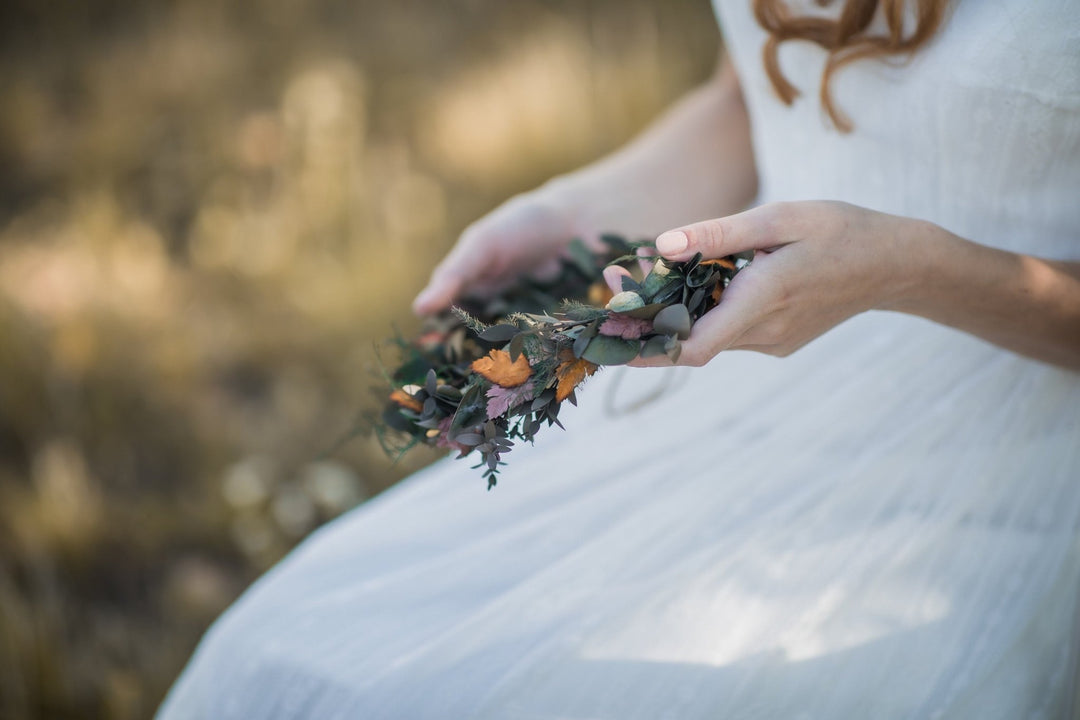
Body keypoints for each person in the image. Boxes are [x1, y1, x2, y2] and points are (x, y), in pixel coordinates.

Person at [158, 1, 1080, 718]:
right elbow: (753, 96)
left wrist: (909, 270)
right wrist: (575, 212)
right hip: (744, 381)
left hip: (1011, 449)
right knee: (281, 659)